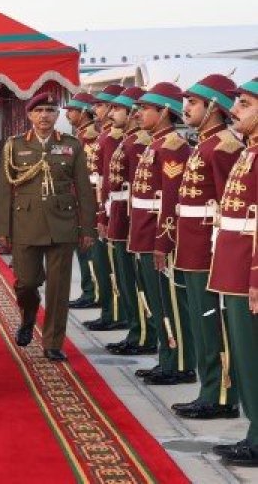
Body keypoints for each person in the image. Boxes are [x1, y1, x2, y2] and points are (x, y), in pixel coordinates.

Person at [0, 92, 96, 362]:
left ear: (57, 115)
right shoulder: (15, 145)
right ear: (30, 115)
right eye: (39, 110)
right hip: (25, 223)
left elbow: (84, 190)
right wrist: (2, 228)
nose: (44, 116)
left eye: (50, 110)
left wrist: (88, 228)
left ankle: (53, 342)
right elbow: (5, 188)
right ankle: (29, 316)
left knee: (59, 289)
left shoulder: (71, 145)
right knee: (26, 283)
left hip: (62, 224)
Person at [169, 75, 242, 418]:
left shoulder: (225, 146)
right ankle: (207, 388)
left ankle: (222, 395)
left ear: (213, 107)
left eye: (193, 103)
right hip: (192, 246)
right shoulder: (205, 143)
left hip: (209, 249)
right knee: (200, 322)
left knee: (214, 323)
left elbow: (233, 202)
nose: (185, 108)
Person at [128, 82, 196, 385]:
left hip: (158, 232)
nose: (140, 113)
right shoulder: (155, 144)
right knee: (155, 301)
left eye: (146, 109)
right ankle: (166, 357)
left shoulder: (173, 147)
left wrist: (163, 240)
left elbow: (170, 197)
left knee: (170, 305)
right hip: (144, 230)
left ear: (165, 111)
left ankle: (180, 363)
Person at [210, 77, 258, 466]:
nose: (235, 109)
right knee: (245, 354)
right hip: (235, 268)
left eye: (244, 103)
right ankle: (253, 432)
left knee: (253, 354)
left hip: (249, 273)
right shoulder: (249, 152)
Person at [103, 87, 159, 356]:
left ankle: (144, 332)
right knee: (126, 279)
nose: (112, 114)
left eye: (118, 109)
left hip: (129, 218)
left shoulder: (138, 142)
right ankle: (136, 329)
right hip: (120, 215)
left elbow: (141, 187)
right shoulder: (129, 139)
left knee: (136, 281)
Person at [83, 85, 129, 332]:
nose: (95, 110)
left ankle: (115, 312)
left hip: (109, 207)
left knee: (111, 268)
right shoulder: (105, 135)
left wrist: (103, 211)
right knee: (104, 266)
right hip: (99, 203)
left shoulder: (113, 137)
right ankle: (109, 311)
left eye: (100, 105)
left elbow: (110, 178)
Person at [64, 93, 100, 311]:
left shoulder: (90, 137)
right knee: (83, 249)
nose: (68, 115)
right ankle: (89, 289)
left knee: (88, 249)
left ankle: (92, 290)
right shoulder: (80, 135)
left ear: (84, 111)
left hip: (87, 199)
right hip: (77, 199)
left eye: (72, 110)